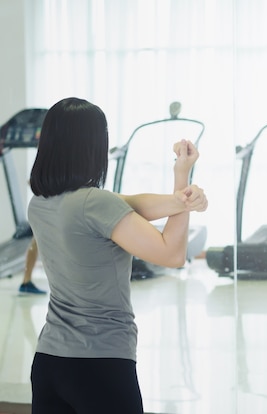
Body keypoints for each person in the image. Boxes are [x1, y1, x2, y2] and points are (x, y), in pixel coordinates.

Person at [27, 97, 208, 413]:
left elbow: (131, 204)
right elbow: (173, 254)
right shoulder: (96, 204)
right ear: (93, 147)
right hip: (100, 366)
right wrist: (185, 186)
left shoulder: (41, 203)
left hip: (49, 363)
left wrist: (181, 198)